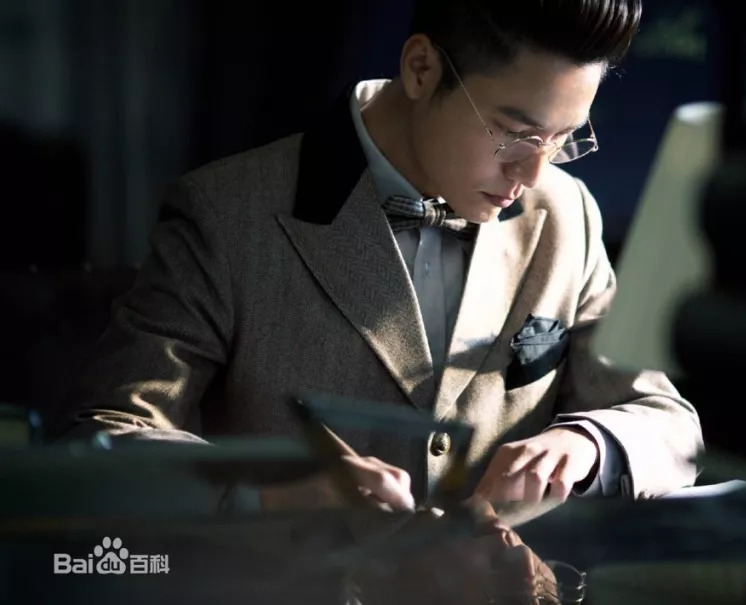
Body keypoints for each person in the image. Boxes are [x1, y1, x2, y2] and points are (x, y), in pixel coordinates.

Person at [56, 0, 703, 514]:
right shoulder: (226, 214)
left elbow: (668, 422)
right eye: (515, 133)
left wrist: (586, 444)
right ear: (421, 69)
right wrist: (268, 500)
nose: (534, 174)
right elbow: (105, 435)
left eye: (562, 138)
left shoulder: (566, 213)